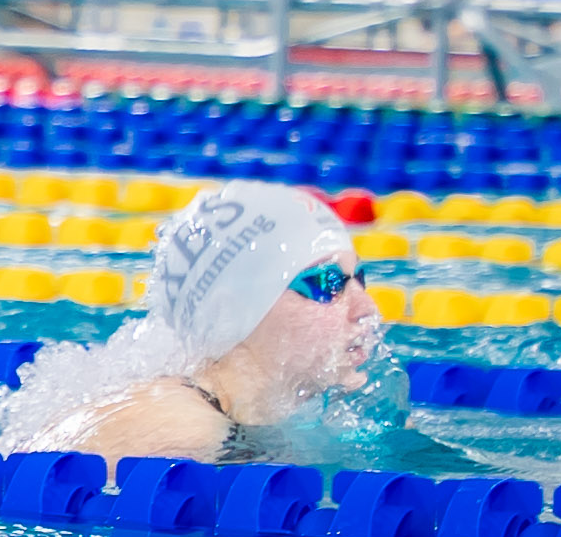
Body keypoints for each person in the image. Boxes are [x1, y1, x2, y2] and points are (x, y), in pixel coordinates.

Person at [32, 182, 384, 465]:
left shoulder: (318, 414)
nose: (365, 308)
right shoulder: (177, 432)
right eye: (327, 285)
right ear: (233, 314)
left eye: (361, 280)